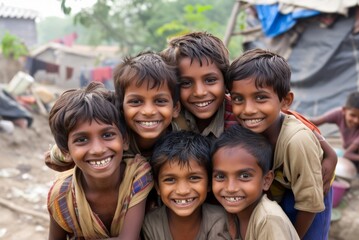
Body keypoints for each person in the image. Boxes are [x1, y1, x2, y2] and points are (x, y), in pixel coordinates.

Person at [161, 31, 336, 195]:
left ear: (226, 83)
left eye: (210, 80)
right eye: (185, 83)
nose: (199, 92)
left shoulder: (240, 113)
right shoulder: (174, 115)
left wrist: (329, 153)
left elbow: (286, 118)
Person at [225, 48, 332, 239]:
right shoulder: (249, 131)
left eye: (260, 98)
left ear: (285, 101)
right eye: (238, 99)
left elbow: (310, 204)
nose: (248, 110)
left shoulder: (297, 141)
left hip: (312, 199)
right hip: (283, 188)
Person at [47, 82, 153, 239]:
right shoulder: (62, 196)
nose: (98, 150)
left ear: (124, 140)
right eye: (82, 139)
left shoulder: (137, 175)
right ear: (66, 152)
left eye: (107, 135)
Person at [45, 51, 181, 170]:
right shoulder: (113, 131)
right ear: (121, 106)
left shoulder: (181, 134)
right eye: (136, 102)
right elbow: (57, 156)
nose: (148, 111)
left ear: (175, 108)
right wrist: (61, 156)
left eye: (160, 101)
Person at [212, 124, 300, 240]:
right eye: (220, 176)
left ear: (266, 180)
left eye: (244, 176)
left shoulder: (268, 219)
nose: (230, 188)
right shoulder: (236, 214)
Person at [142, 130, 230, 240]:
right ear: (158, 187)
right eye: (170, 180)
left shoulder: (219, 220)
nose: (182, 191)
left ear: (209, 183)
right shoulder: (151, 223)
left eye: (194, 178)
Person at [310, 91, 359, 165]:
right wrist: (295, 117)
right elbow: (315, 122)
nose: (356, 120)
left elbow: (347, 154)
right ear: (344, 110)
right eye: (353, 115)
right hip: (346, 152)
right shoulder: (339, 113)